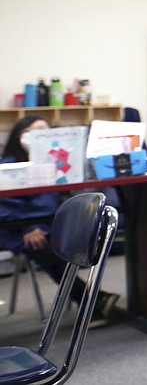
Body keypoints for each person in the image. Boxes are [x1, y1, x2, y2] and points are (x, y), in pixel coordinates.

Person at [0, 116, 119, 327]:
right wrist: (28, 227)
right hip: (14, 228)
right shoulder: (9, 165)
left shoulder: (51, 163)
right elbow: (6, 205)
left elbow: (51, 200)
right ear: (22, 134)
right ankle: (92, 302)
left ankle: (93, 302)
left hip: (44, 224)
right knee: (46, 250)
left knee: (54, 246)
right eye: (36, 130)